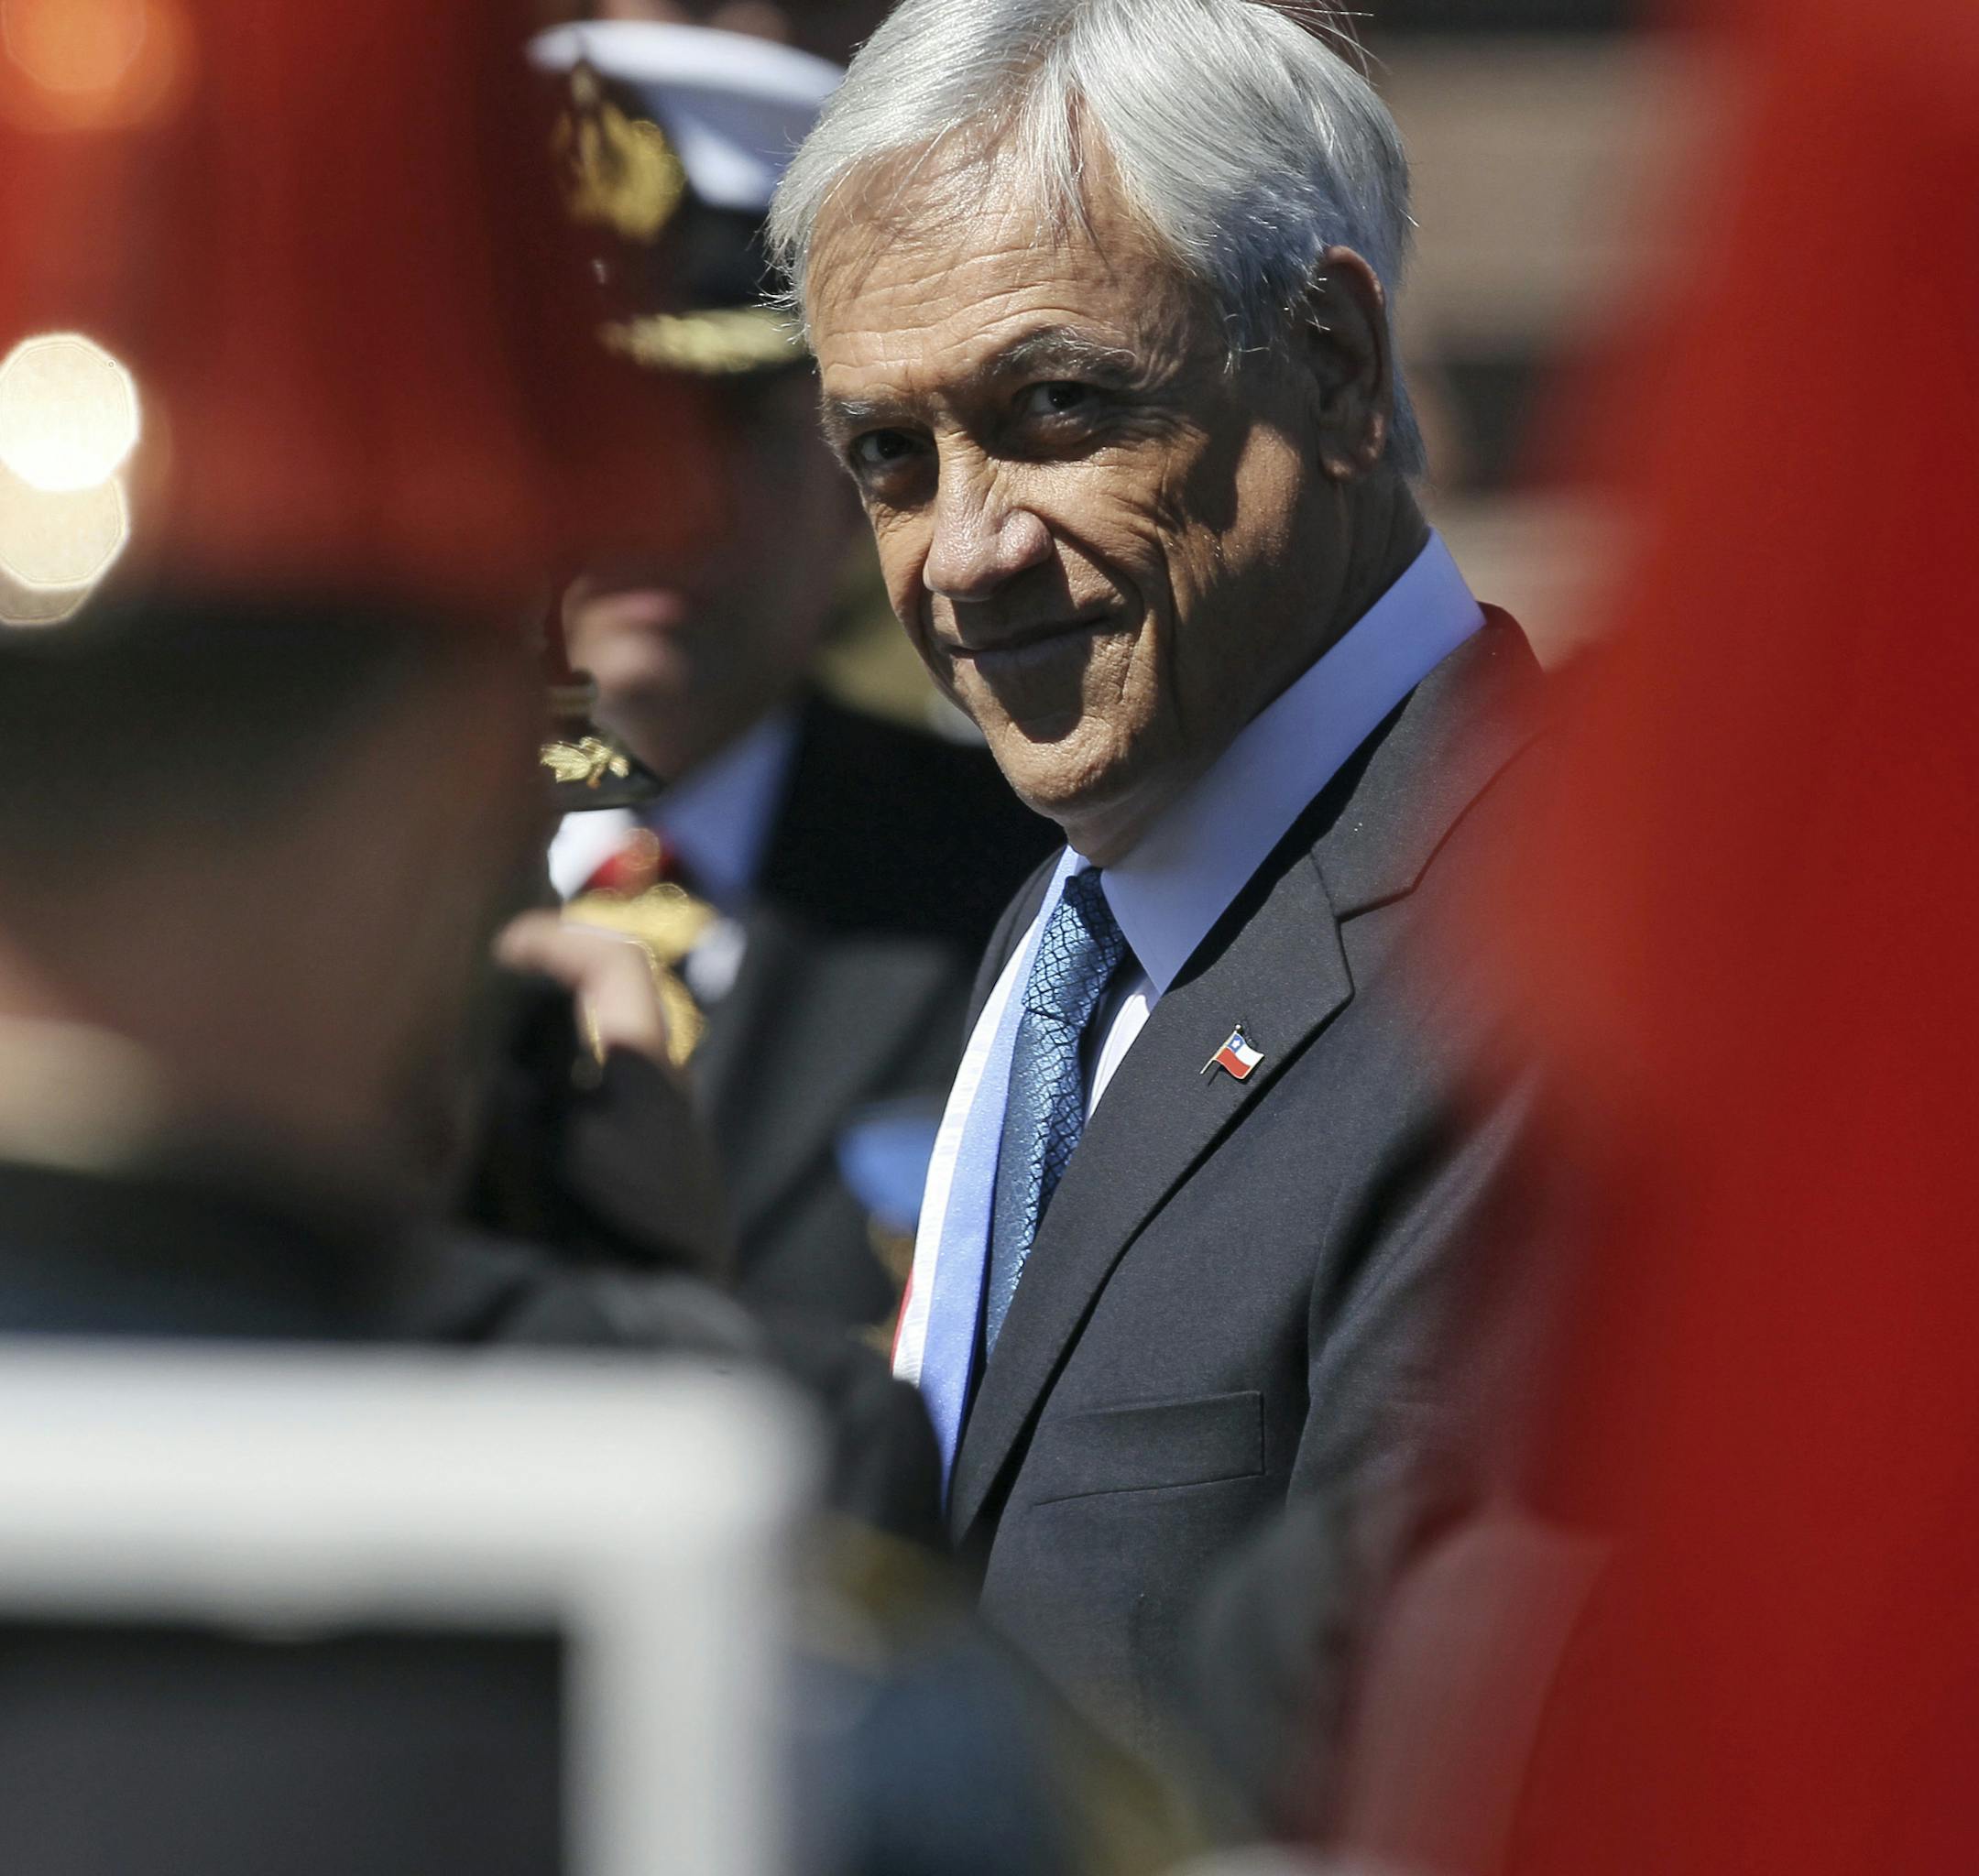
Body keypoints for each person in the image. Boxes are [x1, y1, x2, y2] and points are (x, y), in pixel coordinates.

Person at [767, 0, 1547, 1763]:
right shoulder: (1080, 926)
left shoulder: (1537, 987)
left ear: (1336, 367)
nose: (962, 551)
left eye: (1055, 408)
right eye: (888, 454)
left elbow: (1386, 1753)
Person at [532, 20, 1056, 1333]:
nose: (661, 507)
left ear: (854, 475)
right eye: (600, 428)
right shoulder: (318, 882)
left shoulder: (1032, 901)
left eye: (733, 431)